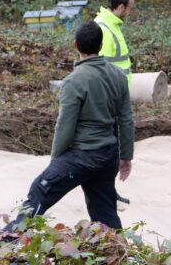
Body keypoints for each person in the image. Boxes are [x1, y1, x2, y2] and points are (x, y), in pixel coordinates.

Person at [11, 21, 134, 231]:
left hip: (82, 157)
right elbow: (126, 119)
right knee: (104, 213)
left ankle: (5, 244)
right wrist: (126, 156)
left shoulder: (73, 81)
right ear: (101, 45)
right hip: (108, 157)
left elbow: (65, 125)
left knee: (40, 190)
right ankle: (118, 256)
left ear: (75, 45)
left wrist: (56, 161)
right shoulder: (118, 76)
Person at [95, 0, 135, 86]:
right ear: (121, 7)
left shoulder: (112, 24)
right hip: (112, 94)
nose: (130, 13)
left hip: (119, 91)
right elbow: (101, 69)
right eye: (130, 8)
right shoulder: (103, 29)